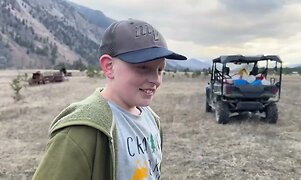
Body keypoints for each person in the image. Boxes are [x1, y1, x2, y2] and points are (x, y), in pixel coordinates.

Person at [32, 19, 187, 180]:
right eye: (143, 68)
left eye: (160, 69)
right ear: (108, 66)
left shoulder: (152, 120)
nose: (156, 79)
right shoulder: (81, 131)